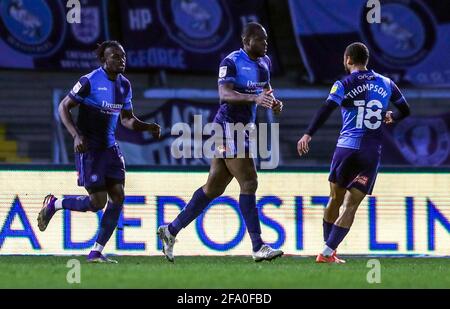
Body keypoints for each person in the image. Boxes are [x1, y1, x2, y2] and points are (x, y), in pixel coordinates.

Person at [157, 22, 284, 262]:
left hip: (244, 129)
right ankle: (258, 246)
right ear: (246, 41)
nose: (266, 43)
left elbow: (265, 93)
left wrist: (273, 103)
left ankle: (170, 230)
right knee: (249, 182)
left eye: (266, 39)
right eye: (260, 39)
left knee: (213, 189)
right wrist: (255, 98)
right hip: (227, 127)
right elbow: (224, 94)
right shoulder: (231, 62)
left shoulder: (264, 63)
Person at [37, 41, 161, 263]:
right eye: (115, 56)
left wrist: (147, 127)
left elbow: (126, 120)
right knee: (97, 203)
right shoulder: (90, 81)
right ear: (104, 60)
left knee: (118, 196)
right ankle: (55, 204)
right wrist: (76, 135)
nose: (121, 60)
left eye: (123, 56)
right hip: (90, 149)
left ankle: (96, 252)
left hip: (111, 149)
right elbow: (63, 107)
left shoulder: (124, 85)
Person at [297, 42, 410, 263]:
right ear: (365, 60)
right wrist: (392, 117)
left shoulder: (343, 83)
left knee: (335, 199)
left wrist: (308, 134)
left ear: (348, 59)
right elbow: (405, 110)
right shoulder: (387, 83)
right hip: (370, 151)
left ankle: (328, 252)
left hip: (346, 148)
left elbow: (326, 108)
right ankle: (328, 252)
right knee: (352, 205)